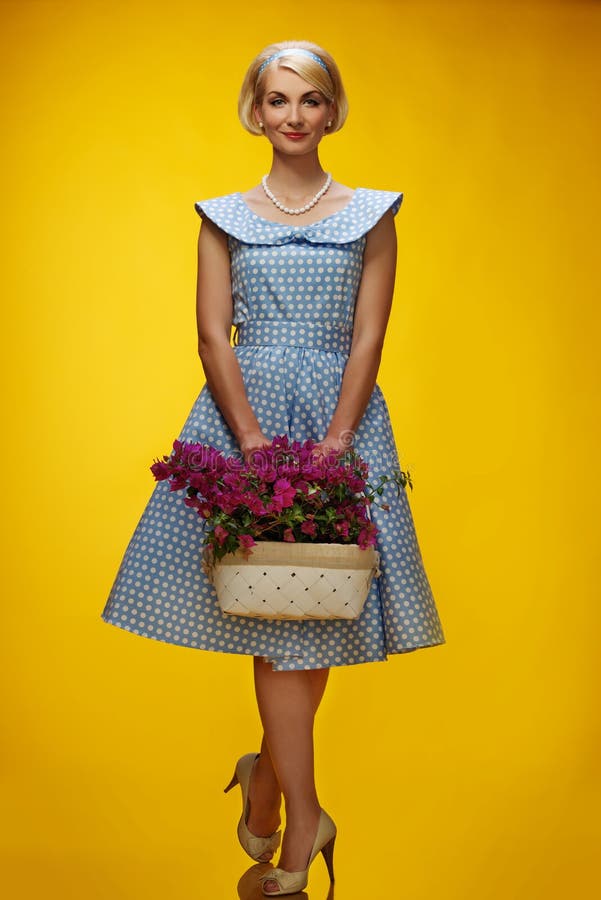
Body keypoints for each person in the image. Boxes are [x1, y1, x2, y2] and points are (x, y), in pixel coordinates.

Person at [101, 39, 446, 896]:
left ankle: (275, 795)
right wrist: (252, 443)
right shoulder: (222, 216)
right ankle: (301, 818)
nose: (294, 116)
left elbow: (369, 336)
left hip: (343, 419)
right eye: (279, 101)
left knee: (312, 608)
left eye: (311, 101)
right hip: (242, 418)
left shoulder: (371, 214)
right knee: (279, 615)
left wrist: (334, 444)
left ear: (333, 111)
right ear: (255, 112)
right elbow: (212, 335)